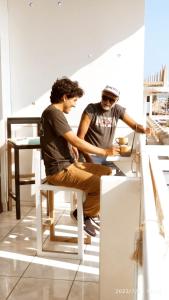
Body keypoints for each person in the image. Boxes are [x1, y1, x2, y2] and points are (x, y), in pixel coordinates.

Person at [40, 77, 119, 237]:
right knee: (100, 184)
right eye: (74, 100)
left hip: (68, 165)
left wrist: (70, 147)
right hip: (60, 171)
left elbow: (62, 139)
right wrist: (104, 152)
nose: (75, 104)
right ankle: (83, 215)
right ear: (64, 97)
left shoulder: (53, 113)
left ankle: (91, 214)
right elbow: (77, 139)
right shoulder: (54, 113)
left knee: (107, 172)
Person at [77, 85, 151, 173]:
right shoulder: (91, 109)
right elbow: (79, 138)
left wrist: (145, 130)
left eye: (111, 100)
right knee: (100, 182)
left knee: (121, 179)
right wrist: (88, 158)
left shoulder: (117, 110)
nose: (107, 102)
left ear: (116, 100)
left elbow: (134, 125)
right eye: (104, 98)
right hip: (90, 155)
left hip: (107, 156)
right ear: (101, 95)